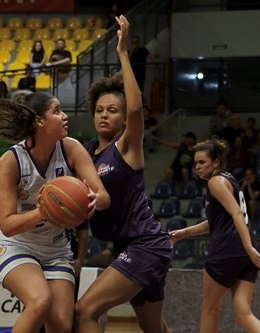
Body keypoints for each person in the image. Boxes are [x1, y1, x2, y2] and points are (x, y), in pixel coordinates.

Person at [0, 92, 110, 333]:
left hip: (56, 248)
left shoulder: (71, 148)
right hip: (15, 245)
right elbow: (7, 224)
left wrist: (94, 200)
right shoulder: (10, 161)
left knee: (61, 323)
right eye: (57, 111)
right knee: (40, 302)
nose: (65, 116)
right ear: (39, 121)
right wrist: (45, 211)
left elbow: (103, 196)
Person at [75, 16, 172, 333]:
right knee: (154, 329)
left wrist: (123, 53)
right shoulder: (86, 153)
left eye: (112, 110)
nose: (104, 114)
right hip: (127, 247)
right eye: (100, 109)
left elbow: (135, 111)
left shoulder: (127, 146)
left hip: (145, 244)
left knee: (84, 311)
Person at [170, 136, 260, 333]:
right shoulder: (230, 180)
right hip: (244, 253)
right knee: (244, 314)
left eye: (202, 162)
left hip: (226, 251)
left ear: (216, 162)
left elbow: (237, 213)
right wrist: (184, 232)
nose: (197, 167)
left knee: (209, 309)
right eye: (196, 162)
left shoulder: (216, 182)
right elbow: (216, 222)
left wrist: (249, 247)